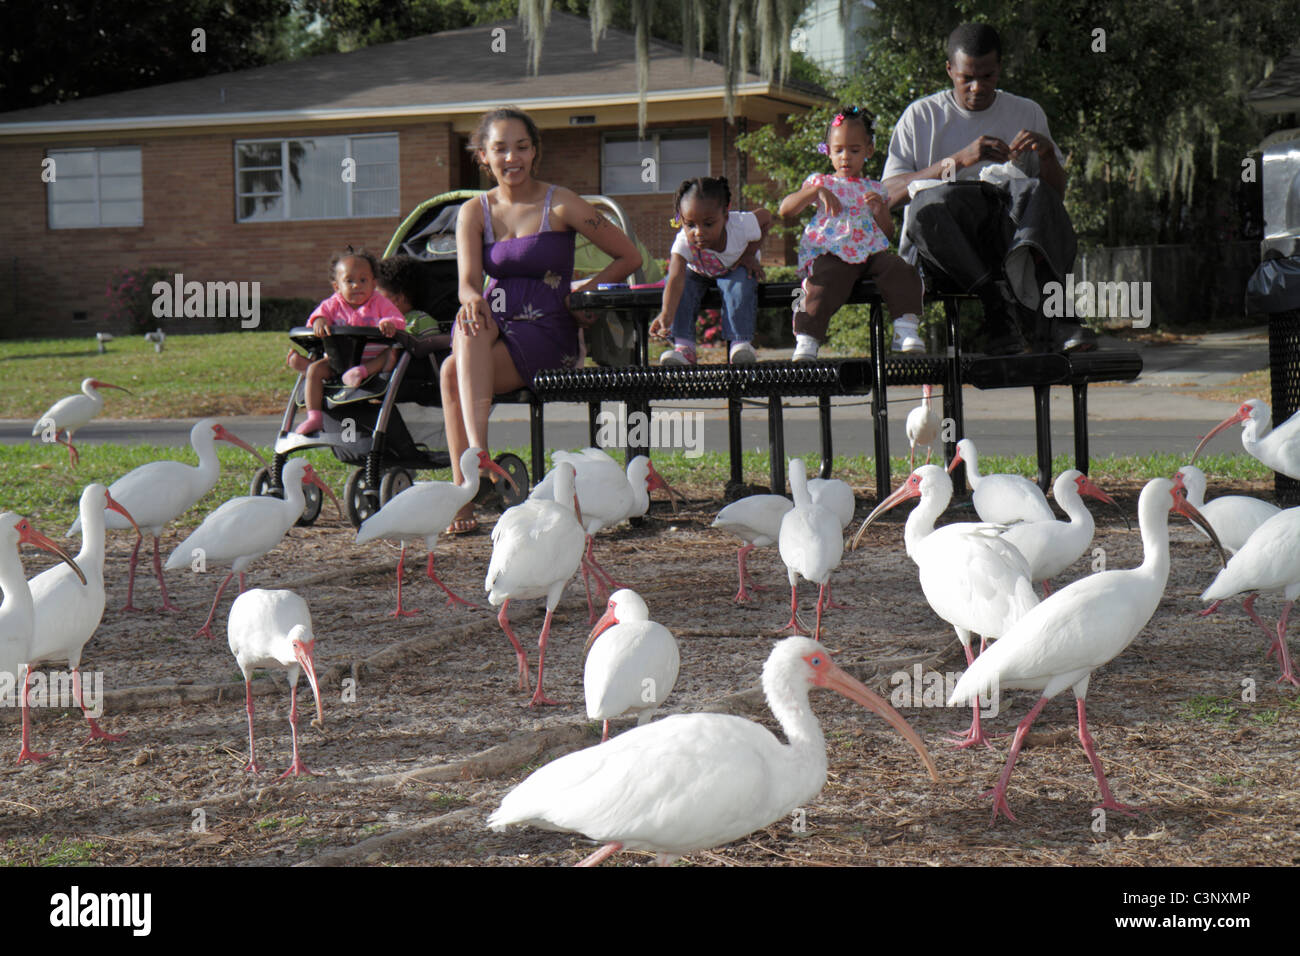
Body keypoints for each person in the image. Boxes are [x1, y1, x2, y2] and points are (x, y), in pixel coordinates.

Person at [443, 106, 641, 534]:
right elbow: (467, 283)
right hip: (495, 322)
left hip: (548, 330)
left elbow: (630, 255)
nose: (511, 158)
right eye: (500, 149)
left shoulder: (562, 202)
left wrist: (584, 293)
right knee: (466, 323)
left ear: (535, 152)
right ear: (483, 155)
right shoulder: (473, 212)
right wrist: (473, 299)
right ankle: (478, 456)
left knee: (449, 371)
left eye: (521, 147)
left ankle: (467, 487)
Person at [881, 22, 1096, 355]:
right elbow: (887, 197)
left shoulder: (1027, 112)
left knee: (1033, 192)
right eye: (967, 78)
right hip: (945, 250)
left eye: (988, 77)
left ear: (1000, 70)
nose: (977, 88)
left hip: (1007, 244)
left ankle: (1061, 318)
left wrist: (1048, 156)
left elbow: (1054, 200)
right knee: (929, 204)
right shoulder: (920, 117)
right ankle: (996, 311)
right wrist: (960, 160)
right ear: (950, 70)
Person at [778, 106, 925, 361]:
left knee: (900, 268)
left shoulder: (876, 188)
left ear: (868, 151)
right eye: (838, 150)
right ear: (827, 151)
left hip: (870, 254)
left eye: (854, 150)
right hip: (833, 252)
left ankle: (905, 328)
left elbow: (887, 235)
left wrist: (880, 210)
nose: (845, 157)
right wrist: (815, 193)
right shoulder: (821, 182)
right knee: (821, 283)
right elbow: (785, 210)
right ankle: (807, 338)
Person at [649, 177, 771, 365]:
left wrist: (749, 254)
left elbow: (766, 217)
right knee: (683, 288)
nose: (698, 232)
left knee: (739, 285)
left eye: (708, 224)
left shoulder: (740, 225)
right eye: (690, 225)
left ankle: (740, 344)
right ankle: (684, 347)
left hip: (734, 267)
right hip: (697, 272)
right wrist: (665, 315)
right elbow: (674, 278)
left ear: (725, 214)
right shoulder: (683, 242)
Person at [287, 248, 404, 435]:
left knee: (390, 353)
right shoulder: (333, 304)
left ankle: (360, 372)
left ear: (374, 283)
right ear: (336, 286)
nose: (356, 285)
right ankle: (314, 417)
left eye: (363, 280)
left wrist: (388, 322)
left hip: (371, 361)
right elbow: (315, 318)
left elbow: (399, 320)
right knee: (315, 371)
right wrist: (319, 321)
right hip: (338, 360)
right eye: (349, 281)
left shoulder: (380, 303)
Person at [376, 254, 449, 344]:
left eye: (376, 296)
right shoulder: (374, 320)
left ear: (397, 299)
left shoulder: (420, 321)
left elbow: (433, 351)